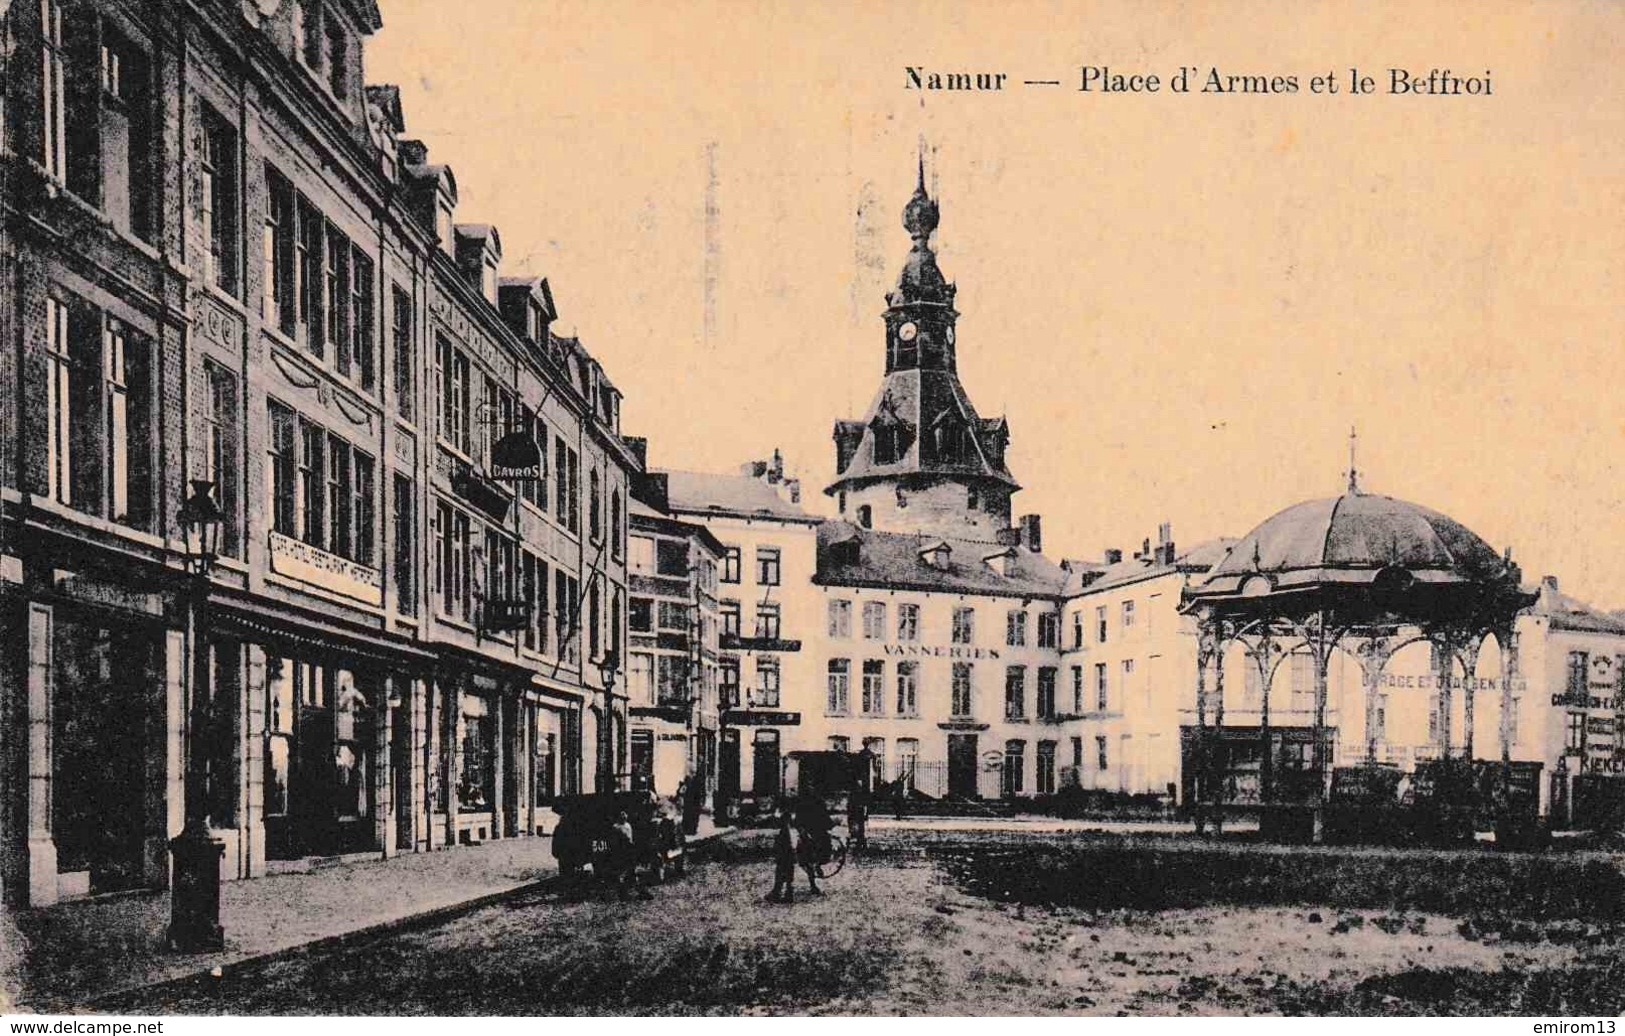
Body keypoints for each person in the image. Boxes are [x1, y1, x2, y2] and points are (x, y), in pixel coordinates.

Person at [795, 793, 834, 896]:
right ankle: (814, 884)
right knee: (810, 860)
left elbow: (825, 817)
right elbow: (798, 821)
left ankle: (815, 877)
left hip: (815, 834)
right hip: (812, 835)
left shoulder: (814, 802)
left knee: (813, 859)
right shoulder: (806, 803)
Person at [766, 803, 798, 903]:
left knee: (781, 874)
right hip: (789, 856)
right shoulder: (789, 830)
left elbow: (782, 845)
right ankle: (787, 893)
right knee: (788, 876)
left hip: (784, 856)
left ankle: (778, 893)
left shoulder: (784, 832)